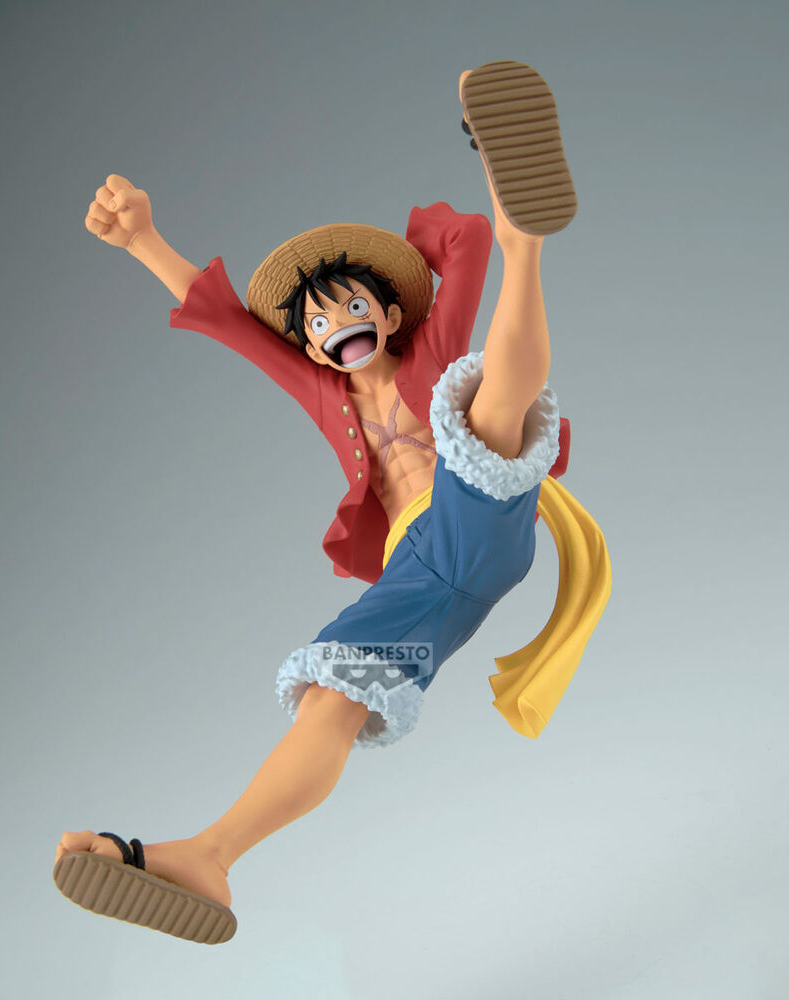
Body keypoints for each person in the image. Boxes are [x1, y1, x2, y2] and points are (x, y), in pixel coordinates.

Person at [54, 60, 610, 945]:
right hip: (419, 579)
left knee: (484, 407)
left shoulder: (430, 351)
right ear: (310, 345)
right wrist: (144, 240)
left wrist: (490, 166)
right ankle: (210, 857)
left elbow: (460, 249)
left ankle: (528, 244)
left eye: (350, 304)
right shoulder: (324, 392)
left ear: (387, 313)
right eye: (315, 320)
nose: (333, 323)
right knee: (330, 694)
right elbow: (234, 326)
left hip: (478, 517)